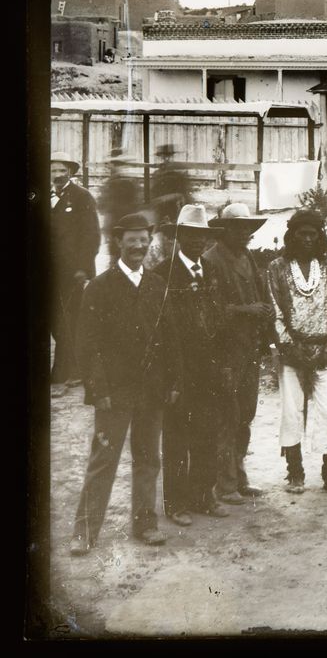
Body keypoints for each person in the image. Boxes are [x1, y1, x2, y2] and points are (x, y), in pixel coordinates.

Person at [70, 214, 180, 554]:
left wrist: (173, 381)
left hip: (152, 391)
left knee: (148, 458)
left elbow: (170, 337)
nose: (139, 246)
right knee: (104, 459)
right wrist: (98, 390)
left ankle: (145, 524)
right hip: (114, 394)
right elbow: (87, 345)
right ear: (119, 242)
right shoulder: (100, 287)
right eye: (132, 240)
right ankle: (84, 532)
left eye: (144, 239)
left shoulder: (158, 286)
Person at [160, 204, 236, 524]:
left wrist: (225, 363)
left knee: (206, 432)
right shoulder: (163, 273)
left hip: (209, 368)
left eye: (201, 237)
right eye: (189, 235)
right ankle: (176, 503)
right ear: (178, 237)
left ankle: (204, 495)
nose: (195, 242)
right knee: (177, 437)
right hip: (178, 370)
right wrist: (169, 377)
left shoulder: (212, 270)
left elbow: (221, 319)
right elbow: (160, 330)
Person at [266, 210, 327, 495]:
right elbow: (274, 312)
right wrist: (290, 348)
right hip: (292, 353)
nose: (308, 239)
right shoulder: (276, 268)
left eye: (314, 234)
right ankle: (295, 473)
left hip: (323, 353)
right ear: (293, 236)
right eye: (303, 234)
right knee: (291, 412)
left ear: (320, 236)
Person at [205, 202, 274, 503]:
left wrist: (267, 325)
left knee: (245, 414)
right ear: (224, 230)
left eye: (247, 228)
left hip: (249, 349)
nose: (243, 233)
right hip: (224, 351)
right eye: (237, 228)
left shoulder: (246, 257)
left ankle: (239, 475)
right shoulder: (211, 260)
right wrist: (248, 310)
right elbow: (209, 310)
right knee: (226, 415)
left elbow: (261, 296)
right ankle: (226, 483)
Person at [49, 153, 101, 395]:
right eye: (53, 170)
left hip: (72, 272)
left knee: (66, 320)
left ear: (71, 171)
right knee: (53, 321)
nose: (57, 175)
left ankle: (62, 376)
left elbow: (92, 235)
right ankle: (77, 368)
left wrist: (83, 268)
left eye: (62, 170)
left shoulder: (82, 197)